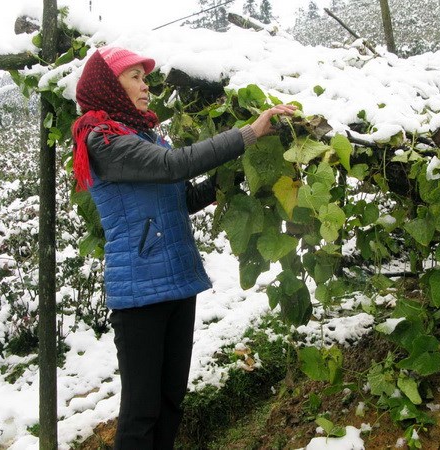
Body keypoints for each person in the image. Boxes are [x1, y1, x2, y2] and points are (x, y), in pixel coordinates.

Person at [71, 46, 296, 449]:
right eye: (135, 77)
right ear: (109, 84)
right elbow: (174, 166)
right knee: (141, 410)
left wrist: (229, 182)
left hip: (176, 281)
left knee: (171, 400)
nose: (146, 87)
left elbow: (180, 198)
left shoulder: (143, 135)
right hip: (140, 292)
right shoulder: (104, 141)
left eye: (145, 78)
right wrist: (247, 134)